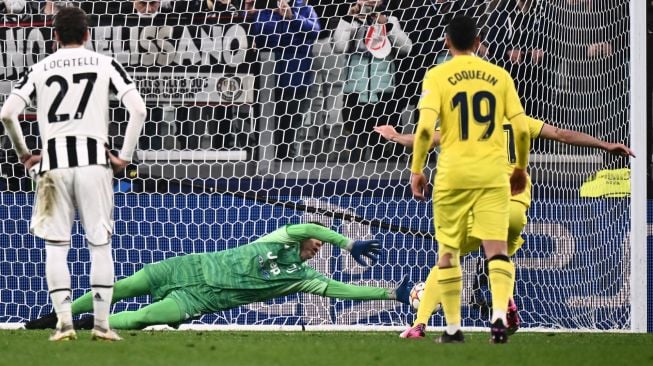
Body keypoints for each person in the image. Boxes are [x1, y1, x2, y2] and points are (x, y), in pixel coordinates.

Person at [375, 119, 635, 337]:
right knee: (501, 258)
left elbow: (428, 139)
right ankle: (506, 303)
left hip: (484, 206)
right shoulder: (520, 119)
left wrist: (395, 136)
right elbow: (562, 134)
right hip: (514, 211)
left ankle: (419, 325)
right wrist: (604, 144)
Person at [0, 7, 146, 341]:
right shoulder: (104, 63)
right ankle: (101, 325)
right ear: (87, 35)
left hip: (52, 167)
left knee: (55, 246)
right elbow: (138, 109)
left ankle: (64, 323)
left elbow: (8, 114)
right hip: (95, 163)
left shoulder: (40, 68)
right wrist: (123, 157)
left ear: (54, 37)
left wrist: (25, 154)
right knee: (99, 244)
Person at [25, 223, 412, 330]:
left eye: (324, 248)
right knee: (121, 287)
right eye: (320, 243)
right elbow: (312, 224)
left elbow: (340, 291)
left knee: (142, 319)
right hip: (191, 267)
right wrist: (348, 243)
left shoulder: (301, 277)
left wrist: (391, 293)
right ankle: (55, 315)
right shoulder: (283, 237)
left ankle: (86, 321)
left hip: (201, 301)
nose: (319, 247)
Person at [409, 15, 532, 344]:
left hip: (453, 175)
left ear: (447, 42)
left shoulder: (437, 75)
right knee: (497, 249)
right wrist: (519, 167)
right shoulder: (499, 75)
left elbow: (423, 130)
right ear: (478, 42)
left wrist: (417, 169)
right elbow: (521, 129)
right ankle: (497, 316)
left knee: (448, 253)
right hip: (493, 175)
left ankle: (451, 328)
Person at [333, 0, 412, 161]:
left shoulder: (391, 20)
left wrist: (385, 25)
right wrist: (350, 18)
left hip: (384, 95)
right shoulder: (352, 20)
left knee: (387, 152)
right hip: (355, 94)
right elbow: (339, 46)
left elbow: (406, 48)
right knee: (355, 151)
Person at [244, 0, 320, 160]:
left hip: (296, 80)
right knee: (263, 133)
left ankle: (286, 177)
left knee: (289, 133)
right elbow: (256, 36)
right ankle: (261, 178)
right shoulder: (264, 10)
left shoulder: (305, 8)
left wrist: (292, 17)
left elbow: (315, 31)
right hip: (265, 82)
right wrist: (249, 14)